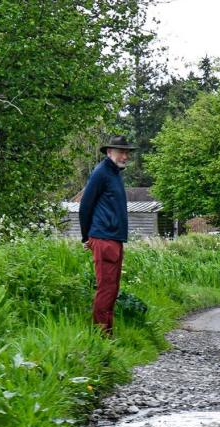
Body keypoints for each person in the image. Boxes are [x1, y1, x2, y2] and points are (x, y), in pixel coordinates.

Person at [79, 134, 136, 335]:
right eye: (122, 152)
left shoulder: (114, 174)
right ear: (109, 152)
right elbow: (85, 206)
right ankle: (101, 336)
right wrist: (86, 237)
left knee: (112, 289)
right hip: (104, 238)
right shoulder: (101, 173)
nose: (125, 156)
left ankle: (107, 334)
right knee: (106, 289)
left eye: (127, 153)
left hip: (114, 239)